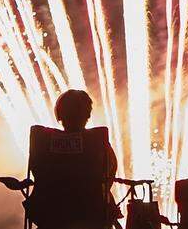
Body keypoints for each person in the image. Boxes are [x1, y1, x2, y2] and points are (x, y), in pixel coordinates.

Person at [24, 89, 120, 229]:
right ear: (87, 114)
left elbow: (37, 171)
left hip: (50, 217)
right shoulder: (97, 142)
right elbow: (109, 173)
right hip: (92, 215)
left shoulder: (43, 142)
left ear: (60, 115)